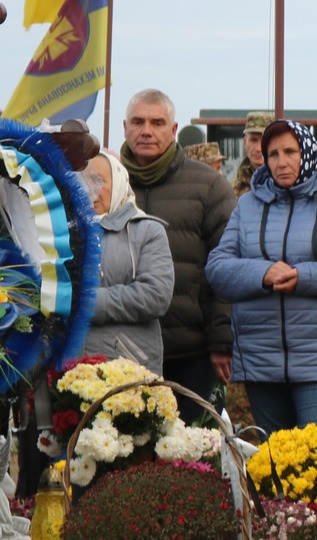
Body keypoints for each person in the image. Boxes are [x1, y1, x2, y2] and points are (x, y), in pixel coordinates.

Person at [205, 120, 317, 434]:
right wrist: (262, 273)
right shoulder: (248, 205)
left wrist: (304, 276)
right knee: (273, 466)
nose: (281, 161)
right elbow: (218, 268)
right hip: (262, 362)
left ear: (309, 151)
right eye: (272, 154)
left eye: (290, 151)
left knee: (315, 465)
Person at [117, 90, 234, 404]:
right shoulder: (104, 184)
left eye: (157, 123)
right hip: (120, 350)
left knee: (194, 450)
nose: (147, 130)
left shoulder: (209, 186)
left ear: (173, 129)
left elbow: (227, 267)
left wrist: (221, 341)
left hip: (192, 354)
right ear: (124, 127)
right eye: (139, 122)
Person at [78, 153, 174, 371]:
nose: (89, 190)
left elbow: (155, 295)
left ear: (120, 182)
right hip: (69, 367)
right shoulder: (63, 234)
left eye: (98, 181)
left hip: (127, 365)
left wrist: (87, 303)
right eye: (81, 181)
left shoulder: (147, 230)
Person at [233, 110, 272, 197]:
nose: (258, 148)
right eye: (253, 140)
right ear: (245, 142)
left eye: (265, 141)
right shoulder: (232, 190)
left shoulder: (285, 186)